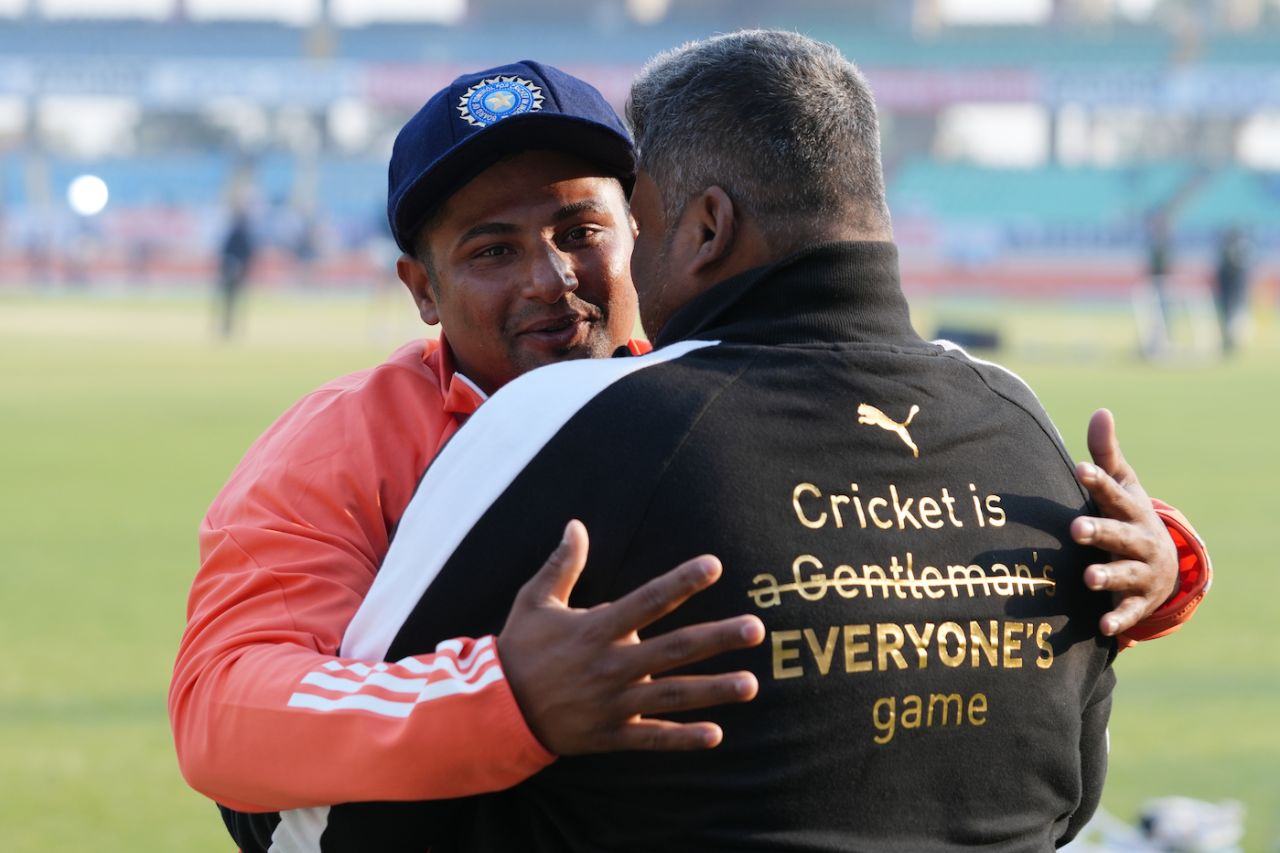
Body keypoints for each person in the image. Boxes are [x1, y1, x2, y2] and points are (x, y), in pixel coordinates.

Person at [171, 58, 1210, 851]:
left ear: (657, 226)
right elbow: (226, 713)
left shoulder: (720, 393)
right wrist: (501, 696)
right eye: (491, 249)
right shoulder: (341, 442)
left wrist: (1148, 563)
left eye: (583, 228)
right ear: (421, 289)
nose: (549, 277)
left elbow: (897, 542)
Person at [216, 207, 255, 338]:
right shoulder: (241, 234)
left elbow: (226, 252)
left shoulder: (237, 234)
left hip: (233, 272)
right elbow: (247, 254)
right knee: (232, 302)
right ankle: (230, 327)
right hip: (234, 273)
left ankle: (230, 327)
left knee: (231, 303)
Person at [1213, 226, 1250, 354]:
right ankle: (1229, 341)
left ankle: (1232, 341)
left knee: (1233, 318)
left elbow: (1239, 276)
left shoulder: (1236, 252)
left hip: (1233, 294)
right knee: (1229, 317)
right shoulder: (1233, 251)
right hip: (1229, 294)